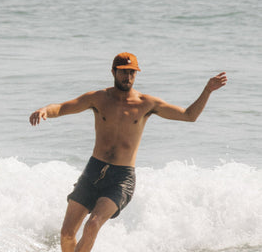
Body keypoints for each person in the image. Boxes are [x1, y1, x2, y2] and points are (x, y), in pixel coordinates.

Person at [29, 52, 227, 252]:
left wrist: (207, 90)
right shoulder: (98, 98)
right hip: (93, 171)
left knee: (93, 224)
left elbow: (189, 115)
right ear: (114, 72)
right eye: (124, 72)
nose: (128, 77)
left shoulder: (146, 103)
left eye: (132, 72)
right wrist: (45, 110)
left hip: (121, 178)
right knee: (66, 233)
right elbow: (62, 107)